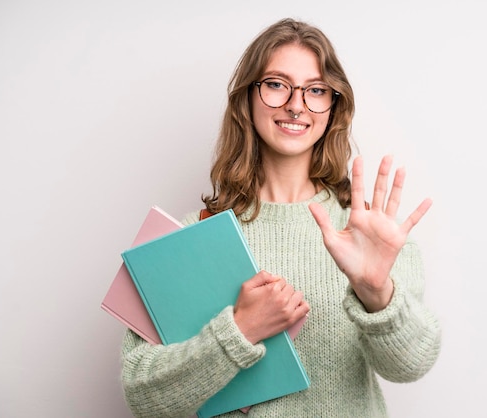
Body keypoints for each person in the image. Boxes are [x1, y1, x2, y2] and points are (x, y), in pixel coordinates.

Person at [120, 17, 441, 417]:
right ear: (247, 98)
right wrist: (240, 331)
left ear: (332, 107)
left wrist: (376, 292)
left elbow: (410, 365)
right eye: (276, 84)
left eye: (316, 90)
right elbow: (143, 397)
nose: (295, 104)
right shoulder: (188, 238)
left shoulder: (369, 236)